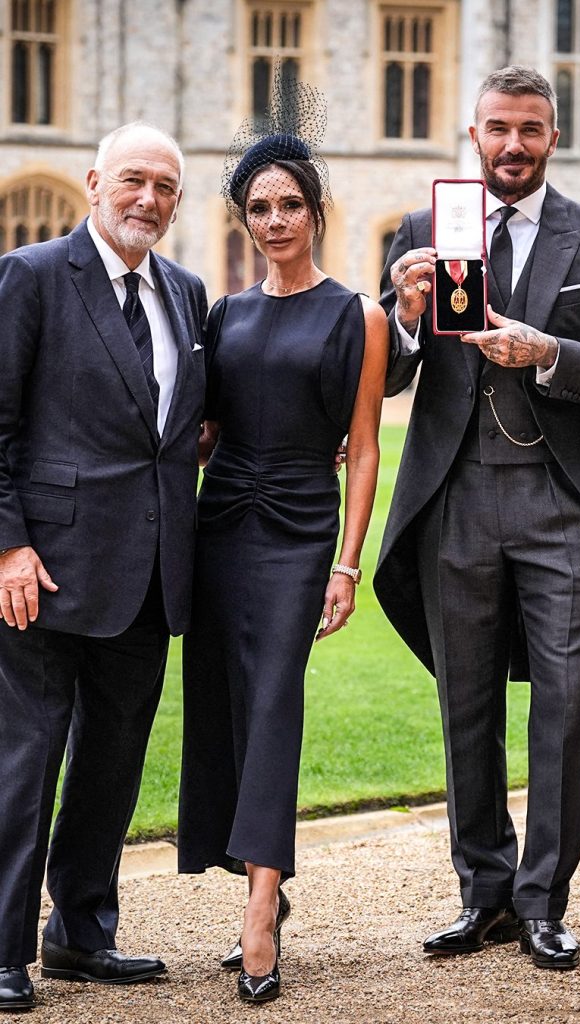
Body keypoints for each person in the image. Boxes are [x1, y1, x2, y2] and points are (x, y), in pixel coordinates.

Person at [373, 65, 580, 971]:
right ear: (473, 134)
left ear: (552, 137)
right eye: (497, 128)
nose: (513, 145)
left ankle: (542, 902)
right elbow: (393, 378)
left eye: (530, 130)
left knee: (564, 711)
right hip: (455, 497)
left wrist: (546, 352)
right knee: (466, 707)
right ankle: (481, 896)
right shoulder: (423, 231)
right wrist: (404, 317)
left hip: (559, 504)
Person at [177, 79, 387, 1004]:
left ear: (315, 210)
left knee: (275, 706)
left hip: (301, 533)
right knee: (225, 704)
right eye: (258, 207)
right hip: (221, 524)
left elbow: (367, 450)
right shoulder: (223, 315)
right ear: (244, 217)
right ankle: (262, 879)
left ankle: (260, 913)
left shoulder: (359, 316)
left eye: (288, 204)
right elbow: (205, 433)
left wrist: (348, 561)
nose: (273, 220)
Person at [0, 122, 207, 1010]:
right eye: (133, 181)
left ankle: (82, 934)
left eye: (165, 187)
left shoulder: (187, 292)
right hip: (41, 570)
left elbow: (182, 428)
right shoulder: (36, 276)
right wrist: (8, 543)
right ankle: (2, 948)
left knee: (111, 765)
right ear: (94, 182)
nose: (147, 200)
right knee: (25, 761)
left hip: (149, 572)